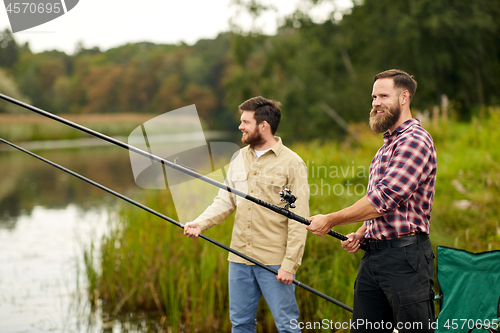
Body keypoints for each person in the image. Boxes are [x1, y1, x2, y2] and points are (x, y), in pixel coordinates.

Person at [306, 69, 437, 333]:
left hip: (406, 259)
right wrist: (361, 232)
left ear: (404, 97)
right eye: (374, 97)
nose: (376, 102)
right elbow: (384, 208)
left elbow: (384, 198)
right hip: (374, 258)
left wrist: (331, 219)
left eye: (383, 96)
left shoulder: (414, 140)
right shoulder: (384, 149)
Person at [184, 96, 309, 333]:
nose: (240, 126)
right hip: (239, 258)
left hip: (274, 261)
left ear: (263, 126)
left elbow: (299, 219)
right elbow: (225, 200)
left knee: (287, 326)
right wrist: (200, 223)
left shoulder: (293, 163)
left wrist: (290, 265)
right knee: (240, 325)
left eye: (245, 121)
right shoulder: (238, 158)